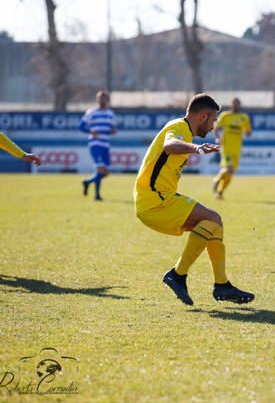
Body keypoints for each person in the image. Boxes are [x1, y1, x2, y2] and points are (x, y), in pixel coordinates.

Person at [133, 93, 254, 305]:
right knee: (213, 218)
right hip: (155, 200)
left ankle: (222, 285)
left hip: (159, 200)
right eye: (213, 120)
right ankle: (179, 275)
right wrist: (196, 148)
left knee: (214, 225)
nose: (213, 126)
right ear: (203, 116)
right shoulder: (179, 128)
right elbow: (169, 145)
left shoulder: (185, 133)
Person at [78, 90, 116, 201]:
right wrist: (90, 131)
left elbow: (110, 129)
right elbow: (81, 126)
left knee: (106, 172)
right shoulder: (91, 112)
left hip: (106, 145)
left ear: (107, 101)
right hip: (95, 144)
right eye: (99, 98)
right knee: (100, 169)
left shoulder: (110, 114)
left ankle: (87, 182)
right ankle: (97, 195)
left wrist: (112, 130)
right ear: (97, 100)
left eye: (103, 98)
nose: (101, 100)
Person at [211, 97, 251, 199]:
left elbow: (248, 132)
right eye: (234, 103)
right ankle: (217, 179)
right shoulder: (225, 116)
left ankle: (220, 192)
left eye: (238, 104)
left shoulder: (244, 117)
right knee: (229, 168)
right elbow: (215, 127)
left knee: (231, 173)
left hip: (237, 149)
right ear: (231, 105)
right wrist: (217, 138)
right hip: (226, 146)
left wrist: (247, 132)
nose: (236, 105)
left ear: (240, 106)